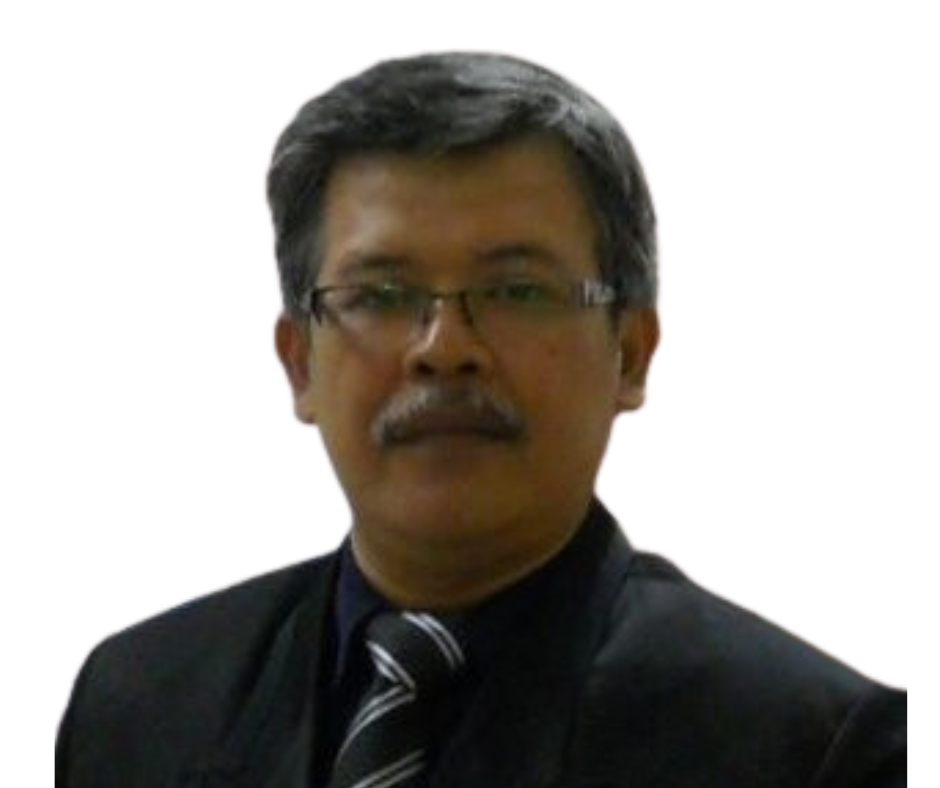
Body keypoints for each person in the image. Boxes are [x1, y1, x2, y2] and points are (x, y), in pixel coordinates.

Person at [54, 48, 907, 788]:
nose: (443, 348)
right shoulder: (139, 698)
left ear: (632, 353)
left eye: (515, 290)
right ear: (298, 363)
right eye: (381, 295)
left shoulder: (810, 745)